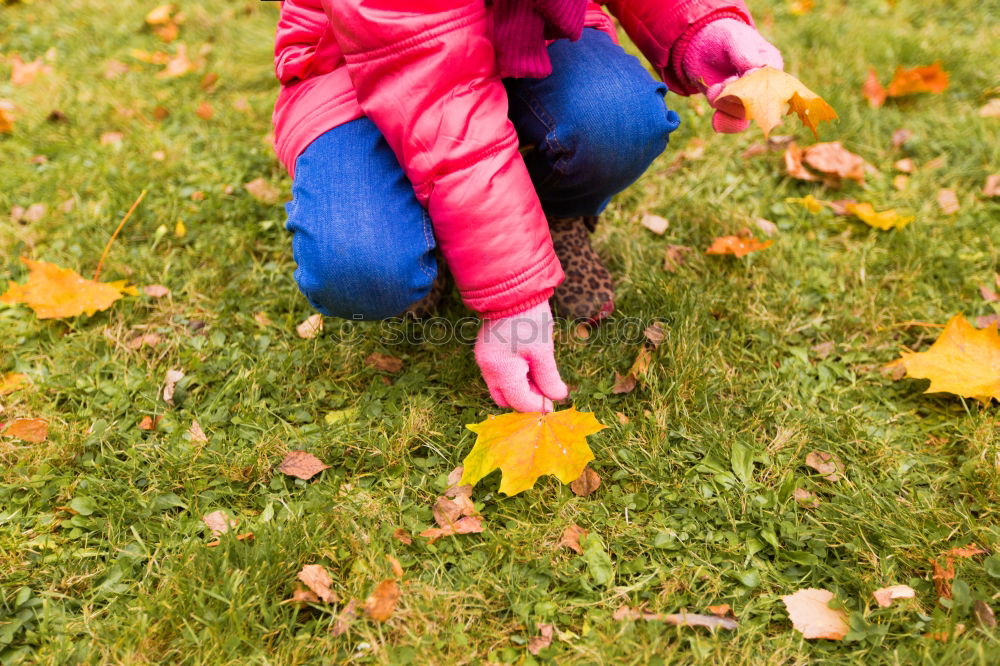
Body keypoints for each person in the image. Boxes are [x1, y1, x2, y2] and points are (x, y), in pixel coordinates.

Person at [272, 0, 784, 413]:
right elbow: (442, 99)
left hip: (525, 26)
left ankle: (554, 218)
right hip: (362, 59)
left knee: (615, 118)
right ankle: (429, 231)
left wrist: (703, 24)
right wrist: (511, 296)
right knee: (363, 269)